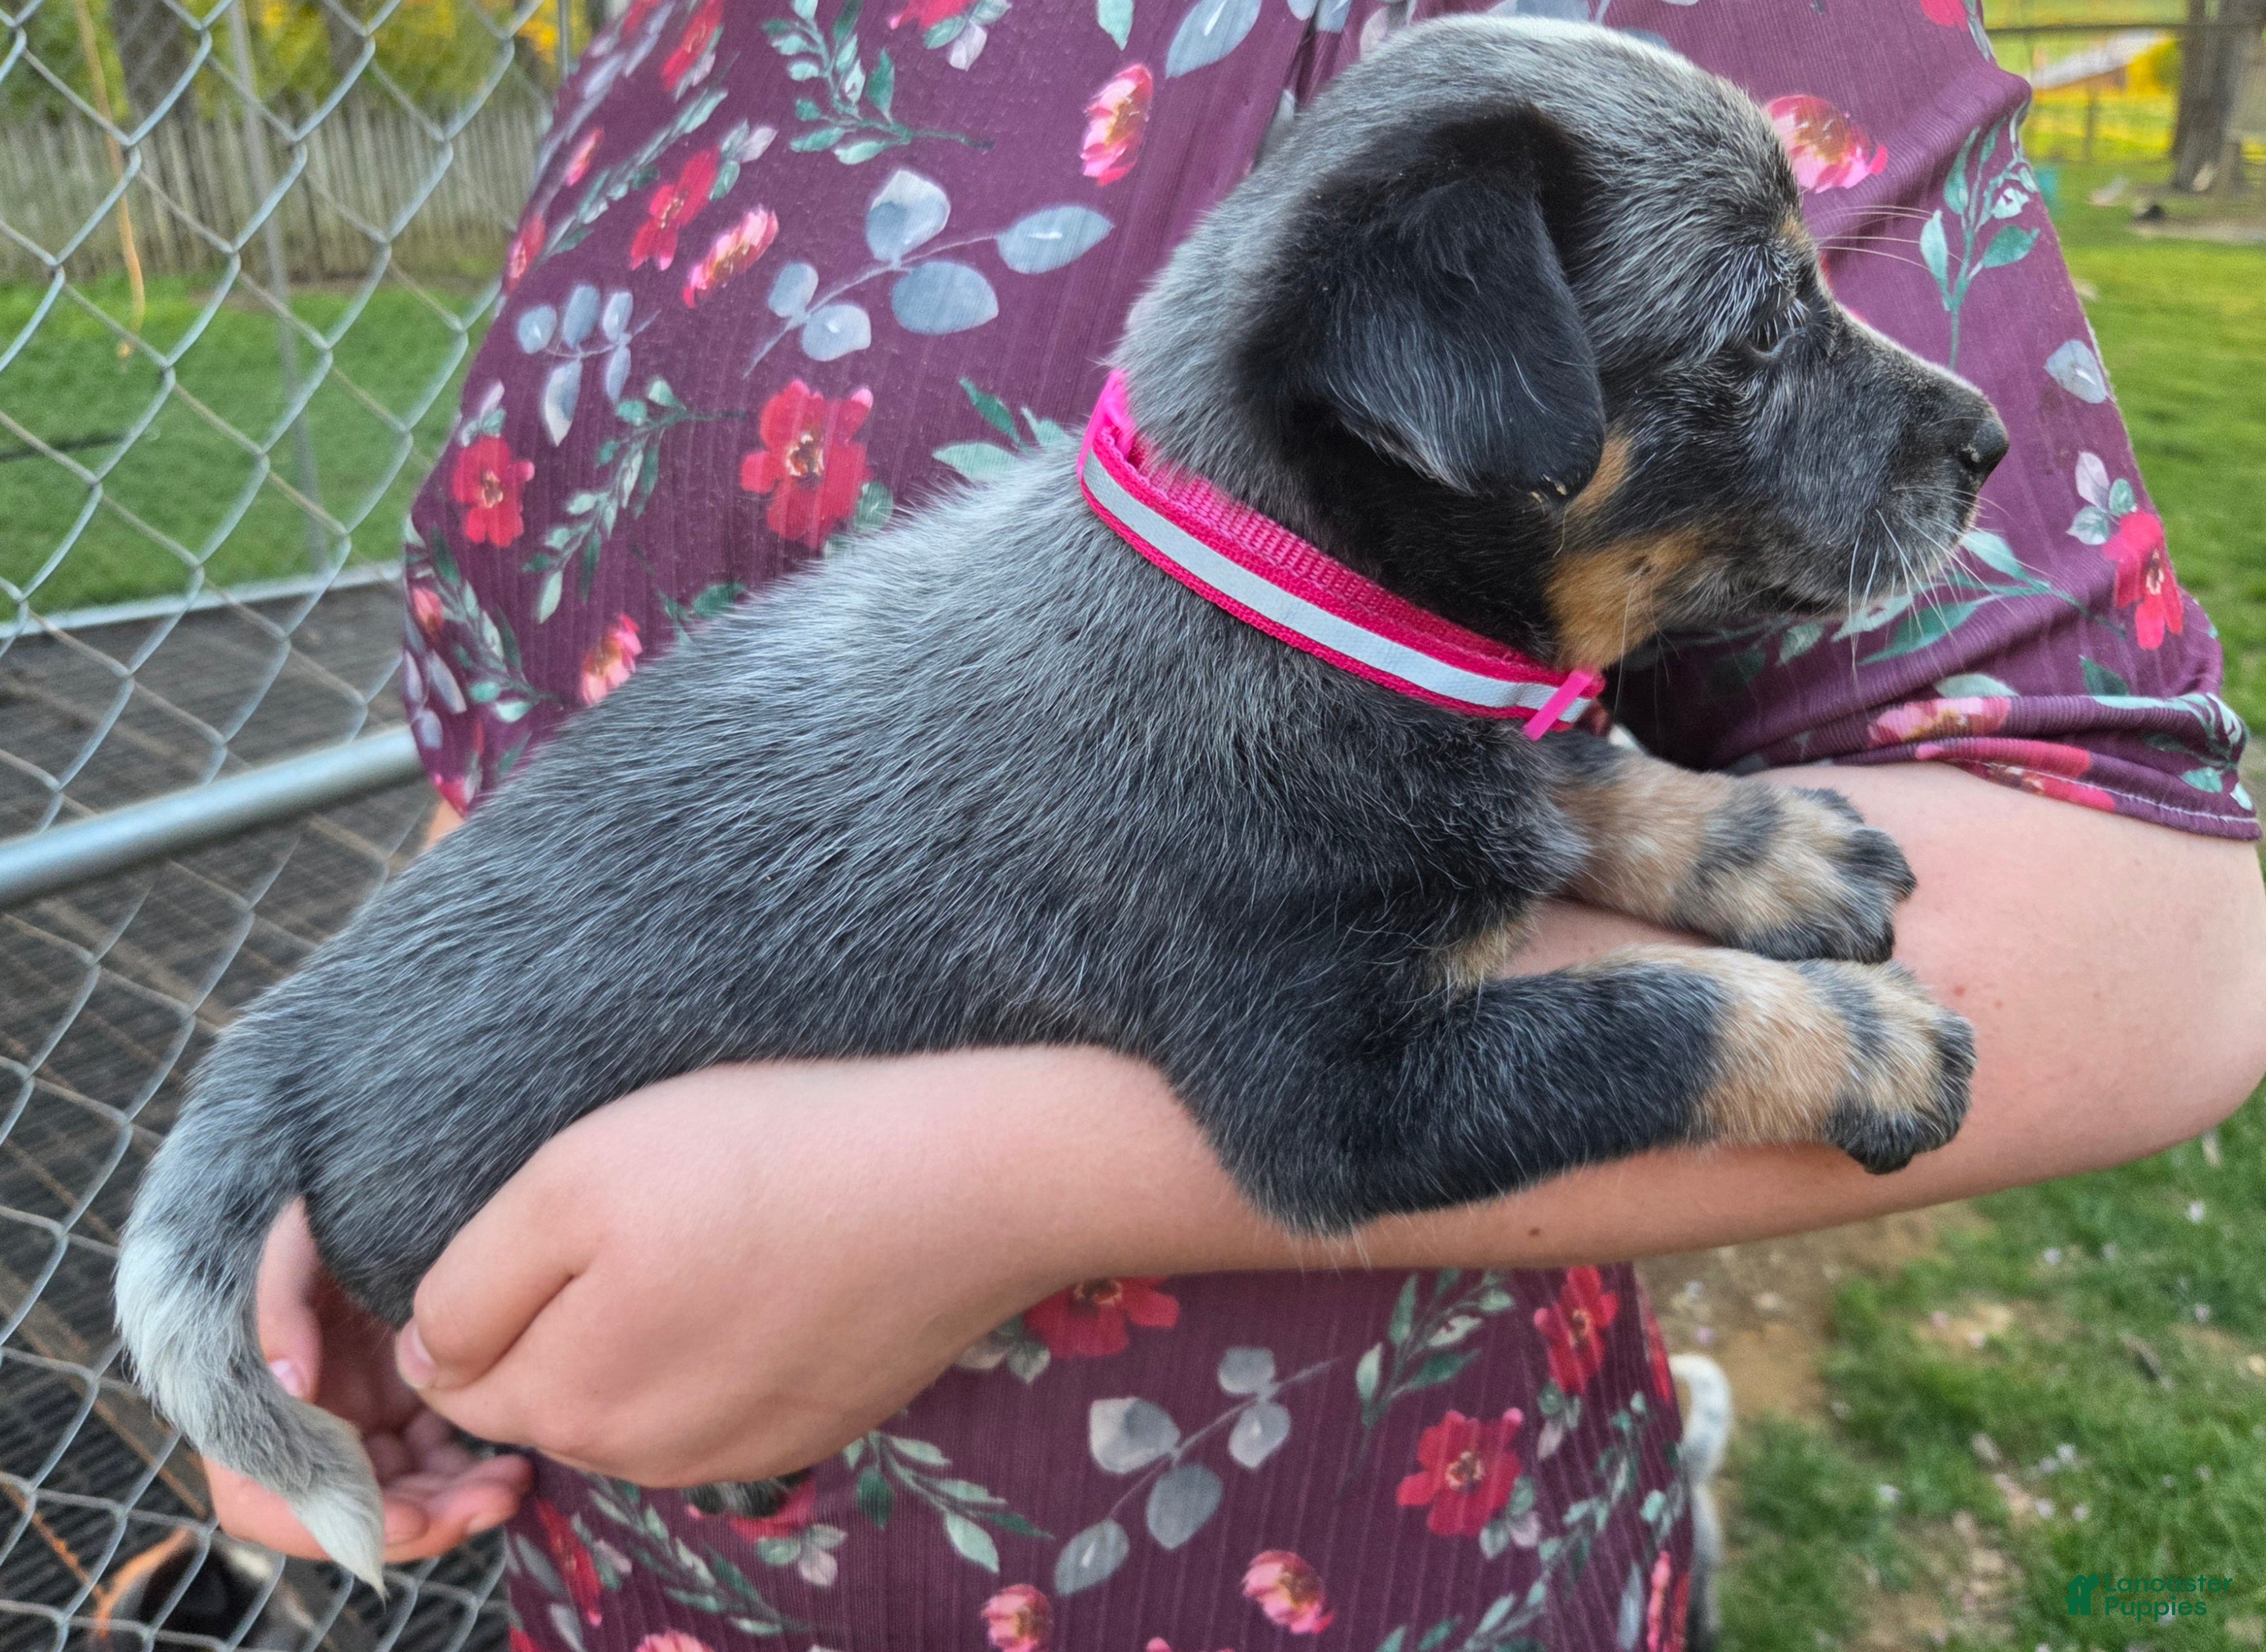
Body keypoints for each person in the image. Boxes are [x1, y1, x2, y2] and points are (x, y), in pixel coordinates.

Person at [201, 0, 2266, 1643]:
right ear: (1437, 400)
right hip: (629, 1544)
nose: (1888, 389)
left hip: (1327, 1571)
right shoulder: (665, 38)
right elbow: (543, 727)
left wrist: (940, 1185)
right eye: (1759, 330)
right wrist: (336, 1135)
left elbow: (2171, 946)